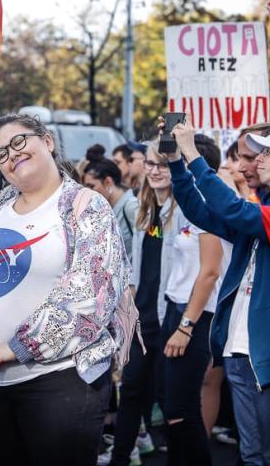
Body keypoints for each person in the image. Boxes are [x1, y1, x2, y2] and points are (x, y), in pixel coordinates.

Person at [0, 113, 129, 466]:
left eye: (19, 142)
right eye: (1, 154)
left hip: (59, 386)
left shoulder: (85, 207)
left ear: (47, 141)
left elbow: (91, 295)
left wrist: (17, 346)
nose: (12, 155)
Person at [168, 121, 270, 466]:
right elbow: (201, 212)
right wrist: (176, 161)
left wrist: (192, 153)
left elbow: (231, 210)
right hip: (238, 349)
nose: (256, 161)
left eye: (267, 153)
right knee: (251, 453)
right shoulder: (265, 211)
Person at [103, 140, 175, 466]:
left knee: (169, 401)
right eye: (150, 163)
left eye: (163, 163)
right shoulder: (143, 208)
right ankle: (121, 458)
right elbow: (135, 268)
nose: (155, 170)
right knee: (130, 392)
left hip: (170, 316)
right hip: (141, 317)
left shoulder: (185, 210)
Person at [162, 134, 230, 466]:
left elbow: (210, 272)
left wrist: (186, 326)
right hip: (176, 309)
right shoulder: (189, 203)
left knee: (181, 410)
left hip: (198, 316)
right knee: (173, 408)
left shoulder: (210, 203)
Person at [82, 144, 139, 258]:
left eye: (91, 186)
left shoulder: (131, 206)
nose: (88, 192)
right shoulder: (105, 209)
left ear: (108, 182)